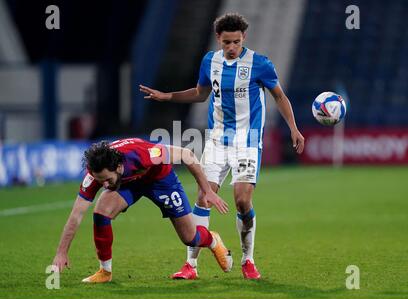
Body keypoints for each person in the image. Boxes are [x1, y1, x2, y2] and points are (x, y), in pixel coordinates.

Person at [139, 13, 305, 280]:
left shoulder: (259, 64)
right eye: (226, 42)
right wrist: (168, 96)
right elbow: (200, 93)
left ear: (243, 39)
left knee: (241, 201)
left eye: (236, 42)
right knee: (203, 198)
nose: (231, 47)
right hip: (217, 140)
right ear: (219, 39)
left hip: (247, 141)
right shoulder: (210, 61)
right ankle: (191, 266)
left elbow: (279, 96)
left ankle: (247, 260)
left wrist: (294, 128)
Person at [52, 137, 233, 283]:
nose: (103, 184)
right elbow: (76, 215)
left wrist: (207, 191)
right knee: (101, 213)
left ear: (119, 167)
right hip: (129, 184)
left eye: (106, 179)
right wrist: (61, 252)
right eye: (100, 181)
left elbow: (187, 155)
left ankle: (212, 240)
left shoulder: (143, 155)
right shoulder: (94, 176)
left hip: (161, 180)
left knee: (190, 238)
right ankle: (105, 272)